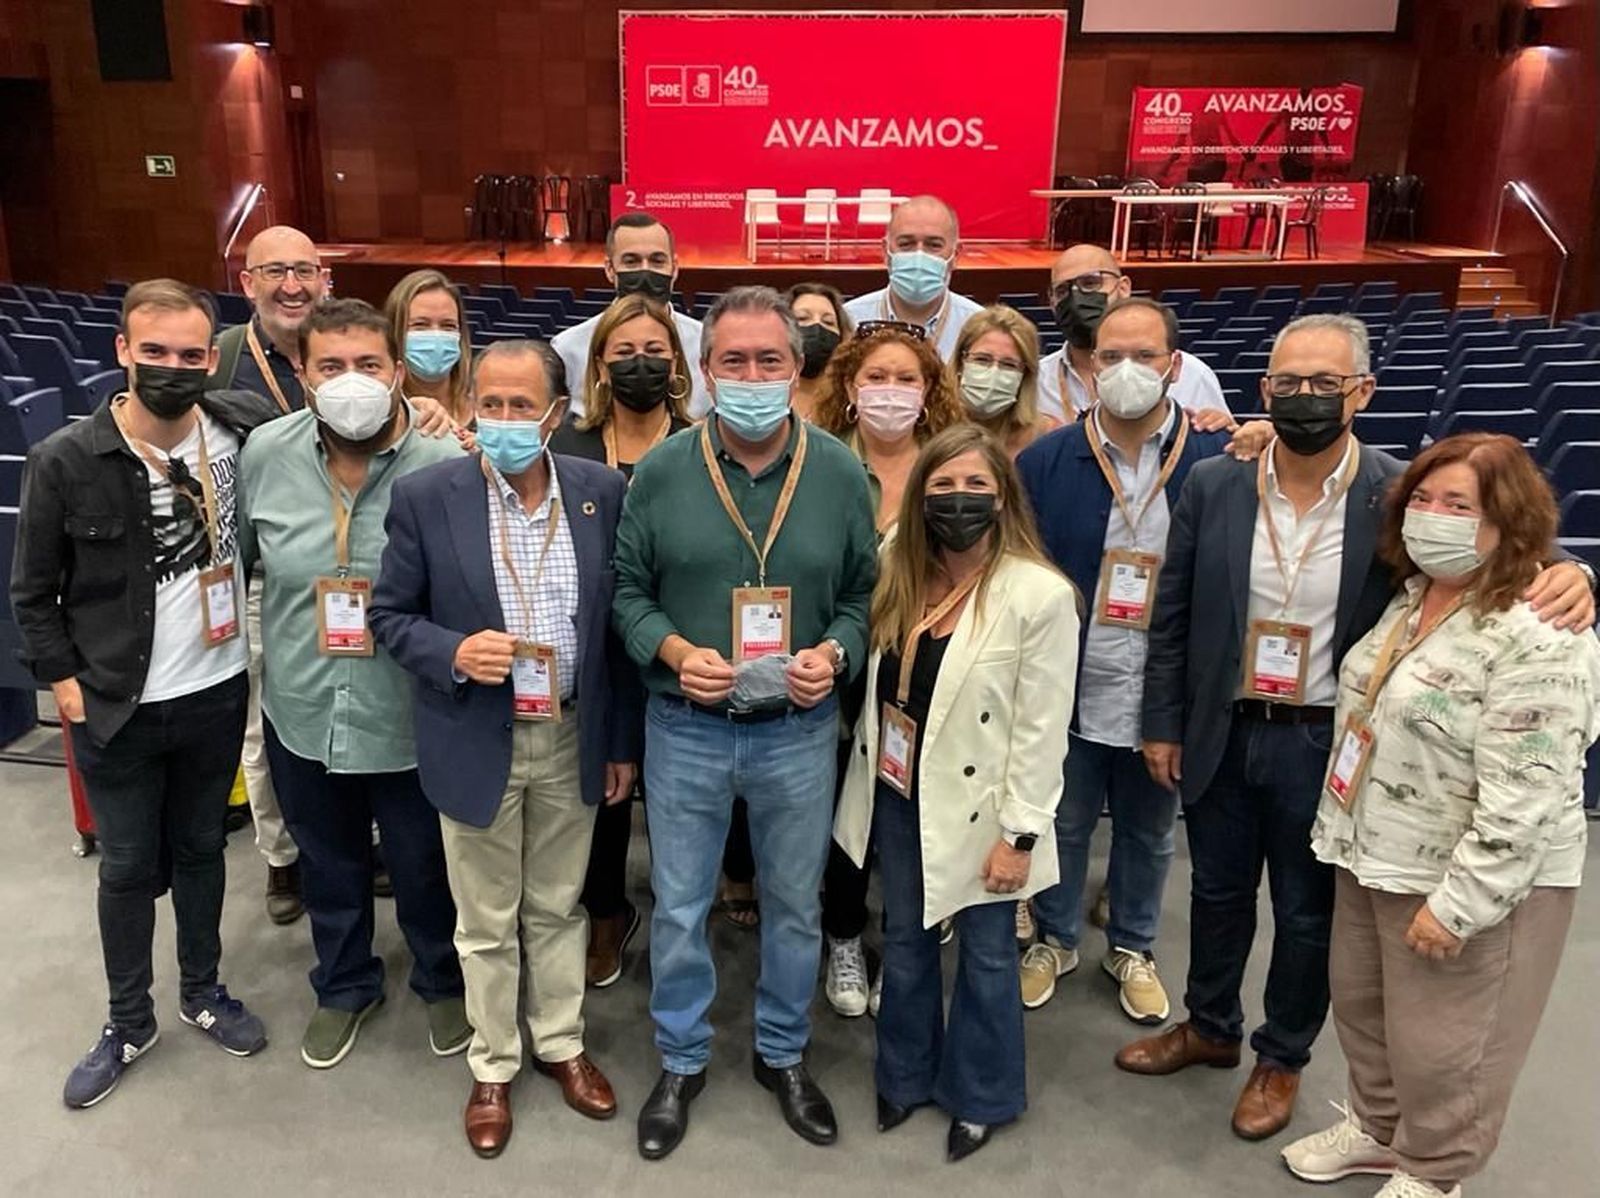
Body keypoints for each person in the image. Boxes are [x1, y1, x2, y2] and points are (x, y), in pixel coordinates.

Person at [1124, 315, 1595, 1142]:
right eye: (1287, 384)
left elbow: (1488, 550)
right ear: (1262, 391)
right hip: (1225, 727)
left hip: (1330, 741)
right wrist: (1162, 722)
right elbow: (1174, 613)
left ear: (1363, 391)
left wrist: (1573, 571)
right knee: (1215, 891)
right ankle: (1209, 1026)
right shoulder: (1214, 483)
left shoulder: (1398, 494)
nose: (1304, 397)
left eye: (1324, 383)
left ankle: (1282, 1056)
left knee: (1309, 915)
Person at [1283, 434, 1600, 1198]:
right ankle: (1378, 1129)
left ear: (1508, 519)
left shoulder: (1539, 628)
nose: (1434, 516)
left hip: (1469, 882)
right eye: (1423, 500)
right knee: (1365, 1012)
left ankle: (1435, 1170)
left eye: (1459, 504)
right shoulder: (1411, 596)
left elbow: (1529, 793)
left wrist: (1461, 907)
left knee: (1450, 1045)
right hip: (1371, 853)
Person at [612, 285, 876, 1160]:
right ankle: (682, 1058)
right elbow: (627, 595)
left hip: (796, 732)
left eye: (770, 361)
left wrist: (834, 657)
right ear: (706, 370)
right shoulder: (660, 471)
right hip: (685, 724)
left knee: (795, 907)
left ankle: (782, 1055)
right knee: (681, 905)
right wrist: (677, 649)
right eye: (734, 361)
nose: (752, 376)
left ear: (797, 371)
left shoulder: (840, 471)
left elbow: (861, 597)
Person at [372, 338, 641, 1158]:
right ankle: (494, 1062)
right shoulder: (427, 495)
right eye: (490, 403)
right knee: (485, 918)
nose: (504, 420)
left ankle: (560, 1043)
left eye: (523, 406)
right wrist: (452, 652)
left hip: (570, 731)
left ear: (557, 416)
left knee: (559, 904)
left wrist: (619, 740)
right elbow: (388, 616)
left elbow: (615, 630)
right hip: (475, 730)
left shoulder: (602, 491)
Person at [12, 279, 278, 1108]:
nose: (172, 367)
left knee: (202, 850)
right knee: (127, 866)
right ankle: (129, 1019)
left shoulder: (240, 432)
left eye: (190, 354)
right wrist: (64, 684)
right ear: (122, 351)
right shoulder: (67, 458)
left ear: (212, 357)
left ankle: (202, 989)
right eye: (153, 351)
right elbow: (31, 591)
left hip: (214, 690)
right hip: (116, 701)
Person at [836, 424, 1079, 1161]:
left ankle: (982, 1094)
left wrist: (1022, 834)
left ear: (1004, 499)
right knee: (905, 943)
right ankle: (903, 1075)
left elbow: (1043, 729)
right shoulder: (895, 568)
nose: (959, 500)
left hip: (988, 811)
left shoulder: (1039, 594)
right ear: (919, 498)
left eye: (977, 486)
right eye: (942, 486)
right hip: (899, 790)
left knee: (987, 956)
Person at [237, 297, 468, 1071]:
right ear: (300, 373)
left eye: (368, 365)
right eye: (330, 366)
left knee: (423, 866)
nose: (351, 381)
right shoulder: (264, 453)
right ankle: (344, 986)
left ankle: (442, 979)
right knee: (329, 866)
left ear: (398, 371)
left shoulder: (446, 463)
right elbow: (241, 560)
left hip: (410, 712)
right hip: (303, 705)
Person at [1015, 297, 1235, 1025]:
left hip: (1163, 687)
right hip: (1073, 679)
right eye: (1111, 357)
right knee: (1065, 820)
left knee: (1148, 828)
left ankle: (1134, 944)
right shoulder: (1046, 460)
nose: (1126, 370)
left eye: (1144, 356)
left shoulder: (1217, 457)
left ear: (1174, 367)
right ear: (1089, 368)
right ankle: (1054, 937)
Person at [547, 294, 693, 988]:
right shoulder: (567, 446)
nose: (641, 362)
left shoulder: (703, 442)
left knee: (673, 795)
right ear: (600, 365)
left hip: (677, 644)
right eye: (625, 352)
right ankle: (606, 910)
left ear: (677, 363)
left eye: (655, 351)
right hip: (594, 646)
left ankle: (678, 914)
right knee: (601, 791)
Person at [207, 224, 328, 924]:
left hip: (352, 570)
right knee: (265, 722)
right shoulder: (222, 360)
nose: (291, 285)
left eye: (305, 270)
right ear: (246, 281)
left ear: (324, 280)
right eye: (274, 271)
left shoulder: (347, 345)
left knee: (355, 707)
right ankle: (282, 858)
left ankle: (356, 840)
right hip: (263, 571)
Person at [1036, 243, 1231, 424]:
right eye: (1062, 290)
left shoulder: (1192, 375)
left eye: (1090, 283)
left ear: (1123, 288)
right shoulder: (1036, 381)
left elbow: (1225, 448)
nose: (1076, 298)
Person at [554, 213, 710, 420]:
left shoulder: (705, 342)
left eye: (657, 261)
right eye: (632, 262)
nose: (645, 271)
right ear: (610, 269)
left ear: (674, 268)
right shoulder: (569, 347)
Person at [813, 322, 965, 534]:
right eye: (876, 377)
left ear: (925, 389)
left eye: (906, 379)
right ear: (850, 388)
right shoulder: (817, 459)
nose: (891, 389)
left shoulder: (950, 460)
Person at [843, 195, 983, 362]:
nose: (919, 255)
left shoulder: (978, 328)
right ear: (885, 252)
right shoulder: (849, 320)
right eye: (905, 244)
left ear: (956, 255)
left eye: (934, 245)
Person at [950, 305, 1059, 458]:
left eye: (1009, 365)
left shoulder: (1049, 437)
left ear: (1025, 375)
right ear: (961, 362)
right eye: (982, 359)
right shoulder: (928, 430)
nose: (994, 372)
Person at [384, 269, 473, 427]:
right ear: (396, 332)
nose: (436, 335)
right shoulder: (383, 414)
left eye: (448, 326)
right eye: (420, 325)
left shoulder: (487, 405)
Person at [786, 282, 854, 422]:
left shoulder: (851, 398)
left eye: (828, 322)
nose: (817, 327)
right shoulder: (767, 396)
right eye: (802, 319)